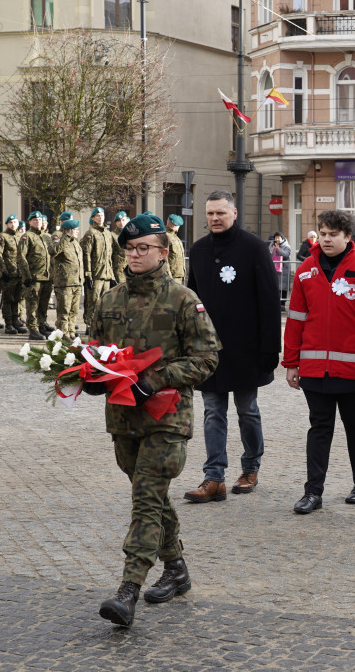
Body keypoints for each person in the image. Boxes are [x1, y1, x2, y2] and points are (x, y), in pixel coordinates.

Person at [87, 213, 220, 628]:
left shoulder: (183, 299)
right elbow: (95, 350)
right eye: (129, 248)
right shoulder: (109, 299)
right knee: (154, 497)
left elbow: (207, 357)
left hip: (166, 417)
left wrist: (157, 378)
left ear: (164, 252)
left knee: (145, 498)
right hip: (123, 419)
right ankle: (177, 568)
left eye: (143, 247)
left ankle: (129, 589)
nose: (135, 254)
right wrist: (89, 375)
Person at [283, 209, 355, 515]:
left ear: (347, 237)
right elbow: (295, 321)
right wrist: (291, 363)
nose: (327, 239)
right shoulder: (305, 270)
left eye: (333, 234)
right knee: (319, 427)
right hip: (314, 368)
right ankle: (313, 492)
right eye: (323, 233)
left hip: (352, 369)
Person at [183, 190, 281, 502]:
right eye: (210, 214)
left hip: (246, 349)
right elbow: (191, 301)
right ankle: (214, 477)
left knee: (247, 410)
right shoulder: (198, 251)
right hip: (209, 350)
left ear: (234, 214)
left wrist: (270, 348)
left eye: (220, 213)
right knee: (213, 411)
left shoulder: (253, 248)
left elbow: (269, 300)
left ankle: (250, 468)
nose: (214, 218)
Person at [82, 207, 119, 335]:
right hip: (96, 274)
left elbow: (110, 256)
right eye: (97, 215)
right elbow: (86, 255)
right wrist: (88, 274)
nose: (100, 217)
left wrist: (112, 275)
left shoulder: (108, 234)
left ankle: (101, 325)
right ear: (93, 218)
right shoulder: (90, 233)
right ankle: (90, 325)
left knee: (105, 302)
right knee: (93, 301)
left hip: (107, 274)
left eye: (102, 215)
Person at [17, 212, 52, 341]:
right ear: (29, 222)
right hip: (34, 277)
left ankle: (42, 326)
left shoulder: (47, 237)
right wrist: (26, 276)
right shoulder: (27, 237)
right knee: (33, 305)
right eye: (35, 220)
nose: (38, 222)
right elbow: (21, 257)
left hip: (47, 277)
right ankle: (33, 329)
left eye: (40, 220)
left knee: (43, 305)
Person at [52, 217, 84, 338]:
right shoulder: (60, 240)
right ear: (67, 231)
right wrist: (64, 238)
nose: (77, 231)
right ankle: (63, 334)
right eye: (75, 229)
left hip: (76, 282)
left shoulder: (75, 242)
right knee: (64, 311)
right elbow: (53, 251)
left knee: (74, 311)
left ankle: (71, 332)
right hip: (64, 283)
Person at [0, 214, 24, 335]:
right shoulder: (3, 237)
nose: (13, 225)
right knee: (8, 300)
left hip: (19, 274)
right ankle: (9, 324)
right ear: (7, 224)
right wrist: (4, 271)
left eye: (15, 222)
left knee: (17, 300)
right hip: (9, 274)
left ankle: (15, 321)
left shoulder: (20, 237)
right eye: (11, 222)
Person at [269, 231, 292, 311]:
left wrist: (278, 250)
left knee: (283, 288)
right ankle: (276, 304)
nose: (277, 239)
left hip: (284, 271)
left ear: (282, 238)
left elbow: (286, 255)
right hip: (275, 269)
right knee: (276, 287)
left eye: (279, 237)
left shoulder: (286, 246)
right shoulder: (272, 245)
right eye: (276, 238)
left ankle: (282, 304)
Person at [163, 214, 186, 283]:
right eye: (178, 226)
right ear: (174, 225)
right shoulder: (166, 237)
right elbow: (164, 258)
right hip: (172, 277)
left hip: (179, 276)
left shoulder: (175, 237)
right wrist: (169, 277)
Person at [111, 211, 129, 285]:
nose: (121, 222)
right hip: (118, 269)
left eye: (123, 220)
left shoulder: (131, 235)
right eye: (118, 221)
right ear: (115, 223)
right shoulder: (112, 235)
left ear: (127, 220)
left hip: (131, 268)